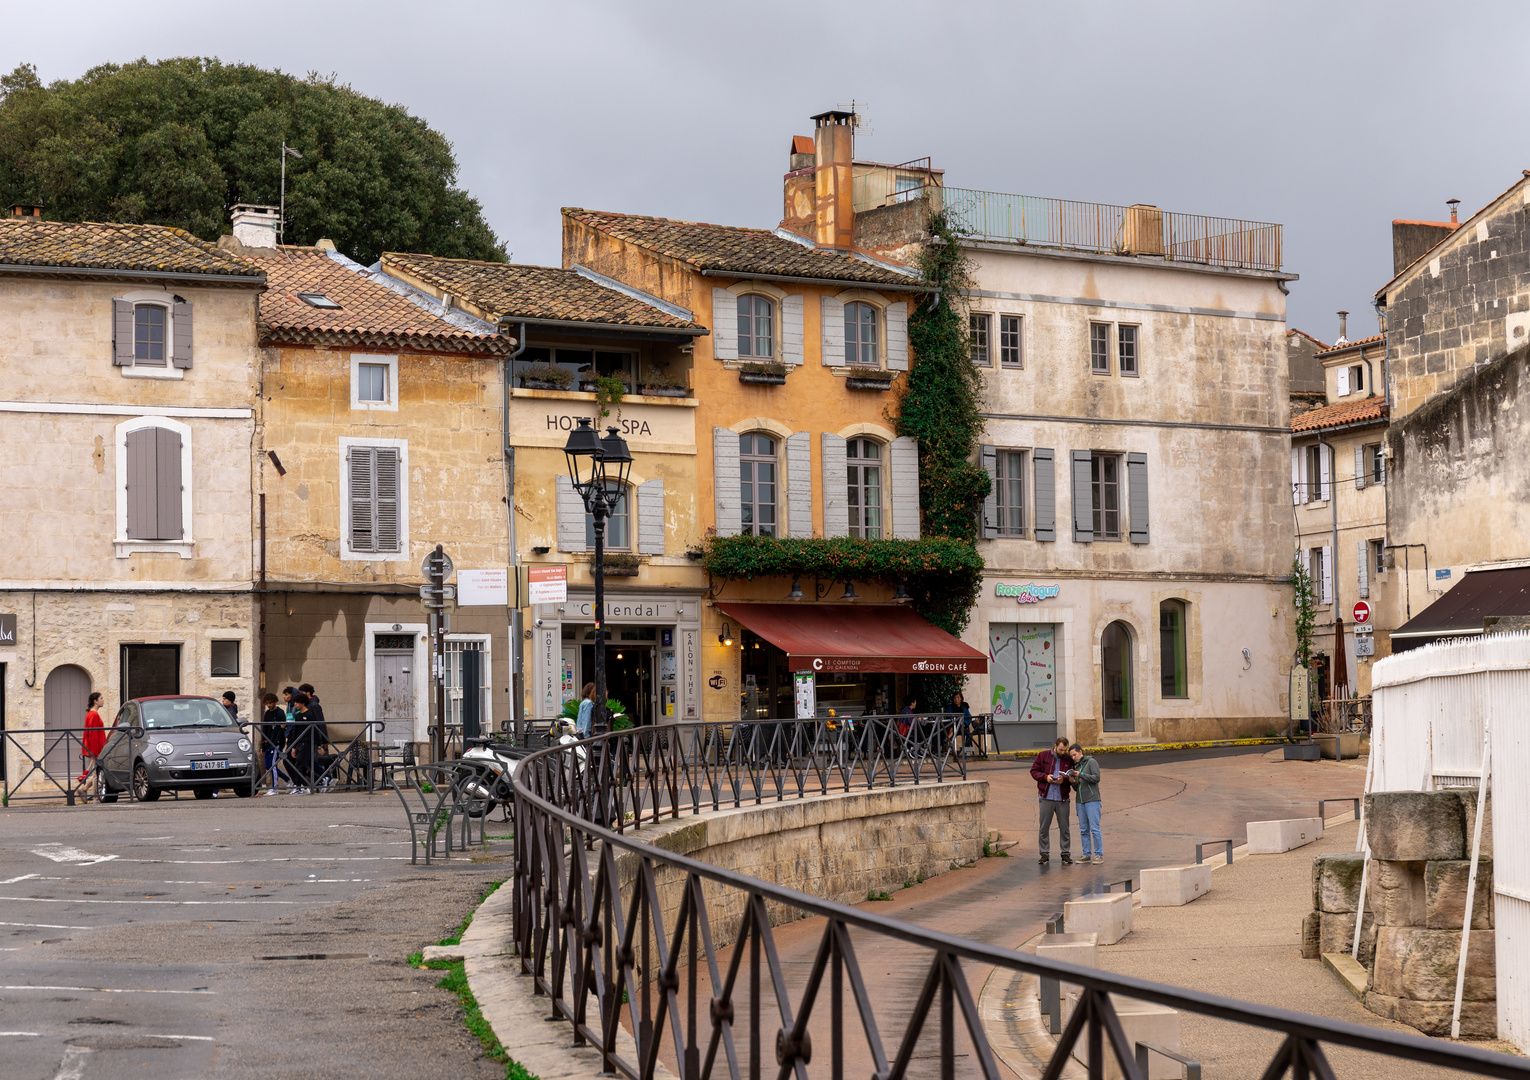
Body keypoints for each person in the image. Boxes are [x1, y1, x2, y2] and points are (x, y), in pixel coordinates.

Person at [1030, 736, 1074, 865]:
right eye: (1061, 749)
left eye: (1065, 750)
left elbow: (1071, 776)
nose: (1063, 752)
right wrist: (1045, 777)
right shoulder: (1043, 756)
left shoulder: (1068, 759)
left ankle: (1065, 854)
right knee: (1044, 827)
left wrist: (1064, 780)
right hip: (1046, 796)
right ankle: (1044, 853)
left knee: (1065, 827)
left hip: (1063, 798)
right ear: (1055, 746)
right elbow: (1033, 771)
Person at [1070, 743, 1103, 864]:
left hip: (1092, 799)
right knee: (1083, 829)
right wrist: (1073, 781)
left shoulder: (1091, 762)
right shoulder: (1076, 766)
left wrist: (1081, 774)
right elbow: (1076, 787)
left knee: (1094, 828)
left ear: (1080, 752)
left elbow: (1096, 778)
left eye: (1075, 755)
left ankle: (1099, 855)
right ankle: (1086, 854)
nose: (1073, 757)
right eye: (1072, 756)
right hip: (1080, 801)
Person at [77, 692, 107, 793]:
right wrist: (96, 752)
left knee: (96, 771)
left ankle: (84, 789)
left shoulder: (91, 713)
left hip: (96, 748)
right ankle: (96, 797)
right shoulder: (93, 714)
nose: (103, 700)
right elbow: (93, 735)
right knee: (96, 774)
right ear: (96, 701)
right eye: (101, 698)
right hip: (96, 748)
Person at [259, 693, 287, 795]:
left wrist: (276, 742)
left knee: (273, 765)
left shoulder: (280, 713)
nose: (269, 705)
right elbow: (264, 729)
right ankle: (287, 780)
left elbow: (281, 729)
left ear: (274, 702)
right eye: (267, 703)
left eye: (270, 703)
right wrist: (263, 744)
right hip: (268, 743)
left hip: (276, 743)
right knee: (268, 765)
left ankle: (275, 788)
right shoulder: (267, 714)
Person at [951, 690, 974, 755]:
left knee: (969, 734)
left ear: (961, 699)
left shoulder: (964, 707)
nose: (956, 700)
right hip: (954, 727)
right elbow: (949, 716)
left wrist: (964, 722)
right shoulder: (951, 707)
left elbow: (969, 716)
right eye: (955, 698)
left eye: (958, 698)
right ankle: (953, 750)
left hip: (963, 726)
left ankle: (966, 749)